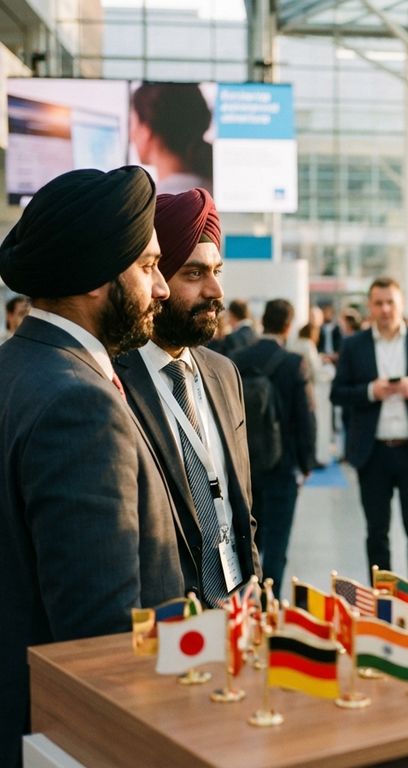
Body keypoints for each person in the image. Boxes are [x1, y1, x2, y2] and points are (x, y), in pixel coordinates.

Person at [0, 166, 184, 765]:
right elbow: (100, 638)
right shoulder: (77, 403)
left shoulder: (17, 368)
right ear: (101, 278)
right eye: (150, 266)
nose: (161, 289)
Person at [115, 188, 261, 607]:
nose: (215, 290)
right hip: (163, 624)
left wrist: (254, 593)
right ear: (156, 280)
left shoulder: (223, 373)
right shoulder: (112, 379)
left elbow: (239, 510)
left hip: (237, 611)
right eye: (194, 274)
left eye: (217, 270)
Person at [331, 277, 408, 584]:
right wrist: (371, 391)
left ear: (401, 305)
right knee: (377, 533)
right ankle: (381, 604)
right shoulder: (354, 344)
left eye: (391, 303)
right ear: (370, 307)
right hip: (373, 452)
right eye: (379, 303)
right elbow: (338, 393)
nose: (385, 309)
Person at [230, 299, 317, 588]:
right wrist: (306, 464)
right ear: (288, 325)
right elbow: (305, 419)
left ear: (263, 321)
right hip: (283, 463)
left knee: (250, 539)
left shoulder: (237, 359)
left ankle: (249, 602)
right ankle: (272, 603)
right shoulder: (293, 363)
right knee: (277, 545)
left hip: (246, 467)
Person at [130, 82, 214, 195]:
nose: (131, 134)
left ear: (147, 131)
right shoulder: (213, 190)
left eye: (133, 124)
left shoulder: (146, 203)